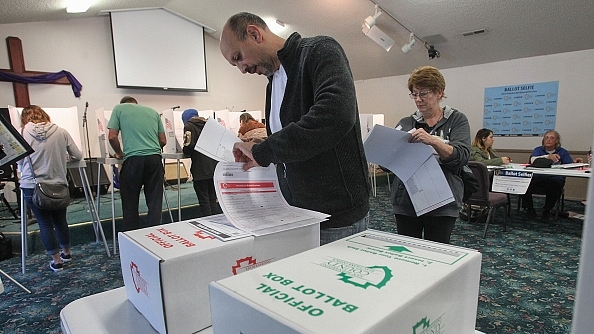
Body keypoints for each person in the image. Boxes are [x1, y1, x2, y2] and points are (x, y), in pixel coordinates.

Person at [219, 12, 370, 245]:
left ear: (254, 33)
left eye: (239, 57)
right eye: (234, 64)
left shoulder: (320, 50)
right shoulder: (274, 82)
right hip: (295, 214)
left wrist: (266, 150)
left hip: (335, 217)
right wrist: (260, 146)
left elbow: (335, 115)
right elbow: (294, 136)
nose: (242, 68)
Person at [389, 66, 470, 244]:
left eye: (424, 93)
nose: (418, 99)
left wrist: (433, 141)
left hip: (443, 201)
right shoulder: (406, 122)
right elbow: (390, 163)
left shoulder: (457, 120)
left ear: (439, 92)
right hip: (407, 200)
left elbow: (462, 156)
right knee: (407, 251)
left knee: (437, 251)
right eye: (414, 93)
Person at [18, 105, 83, 271]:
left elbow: (19, 162)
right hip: (58, 184)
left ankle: (56, 261)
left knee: (44, 223)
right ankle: (66, 253)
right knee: (61, 220)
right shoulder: (61, 132)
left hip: (32, 186)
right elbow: (78, 155)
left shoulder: (21, 133)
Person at [108, 96, 166, 231]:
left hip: (133, 160)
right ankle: (155, 237)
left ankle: (133, 239)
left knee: (130, 203)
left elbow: (112, 136)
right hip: (155, 160)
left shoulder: (119, 109)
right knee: (154, 203)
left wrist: (119, 152)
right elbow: (163, 140)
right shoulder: (152, 112)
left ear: (123, 104)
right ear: (136, 104)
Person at [521, 130, 582, 222]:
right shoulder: (538, 150)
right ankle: (530, 209)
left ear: (557, 141)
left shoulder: (562, 151)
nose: (548, 140)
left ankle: (547, 210)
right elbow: (533, 160)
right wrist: (548, 157)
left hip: (554, 178)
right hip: (537, 178)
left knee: (555, 185)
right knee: (523, 183)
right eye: (546, 137)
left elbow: (569, 165)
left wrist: (575, 163)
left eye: (552, 138)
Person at [181, 109, 221, 216]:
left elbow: (188, 145)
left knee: (204, 199)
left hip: (200, 168)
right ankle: (215, 222)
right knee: (212, 198)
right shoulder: (210, 125)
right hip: (214, 167)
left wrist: (186, 152)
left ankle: (208, 221)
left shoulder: (189, 126)